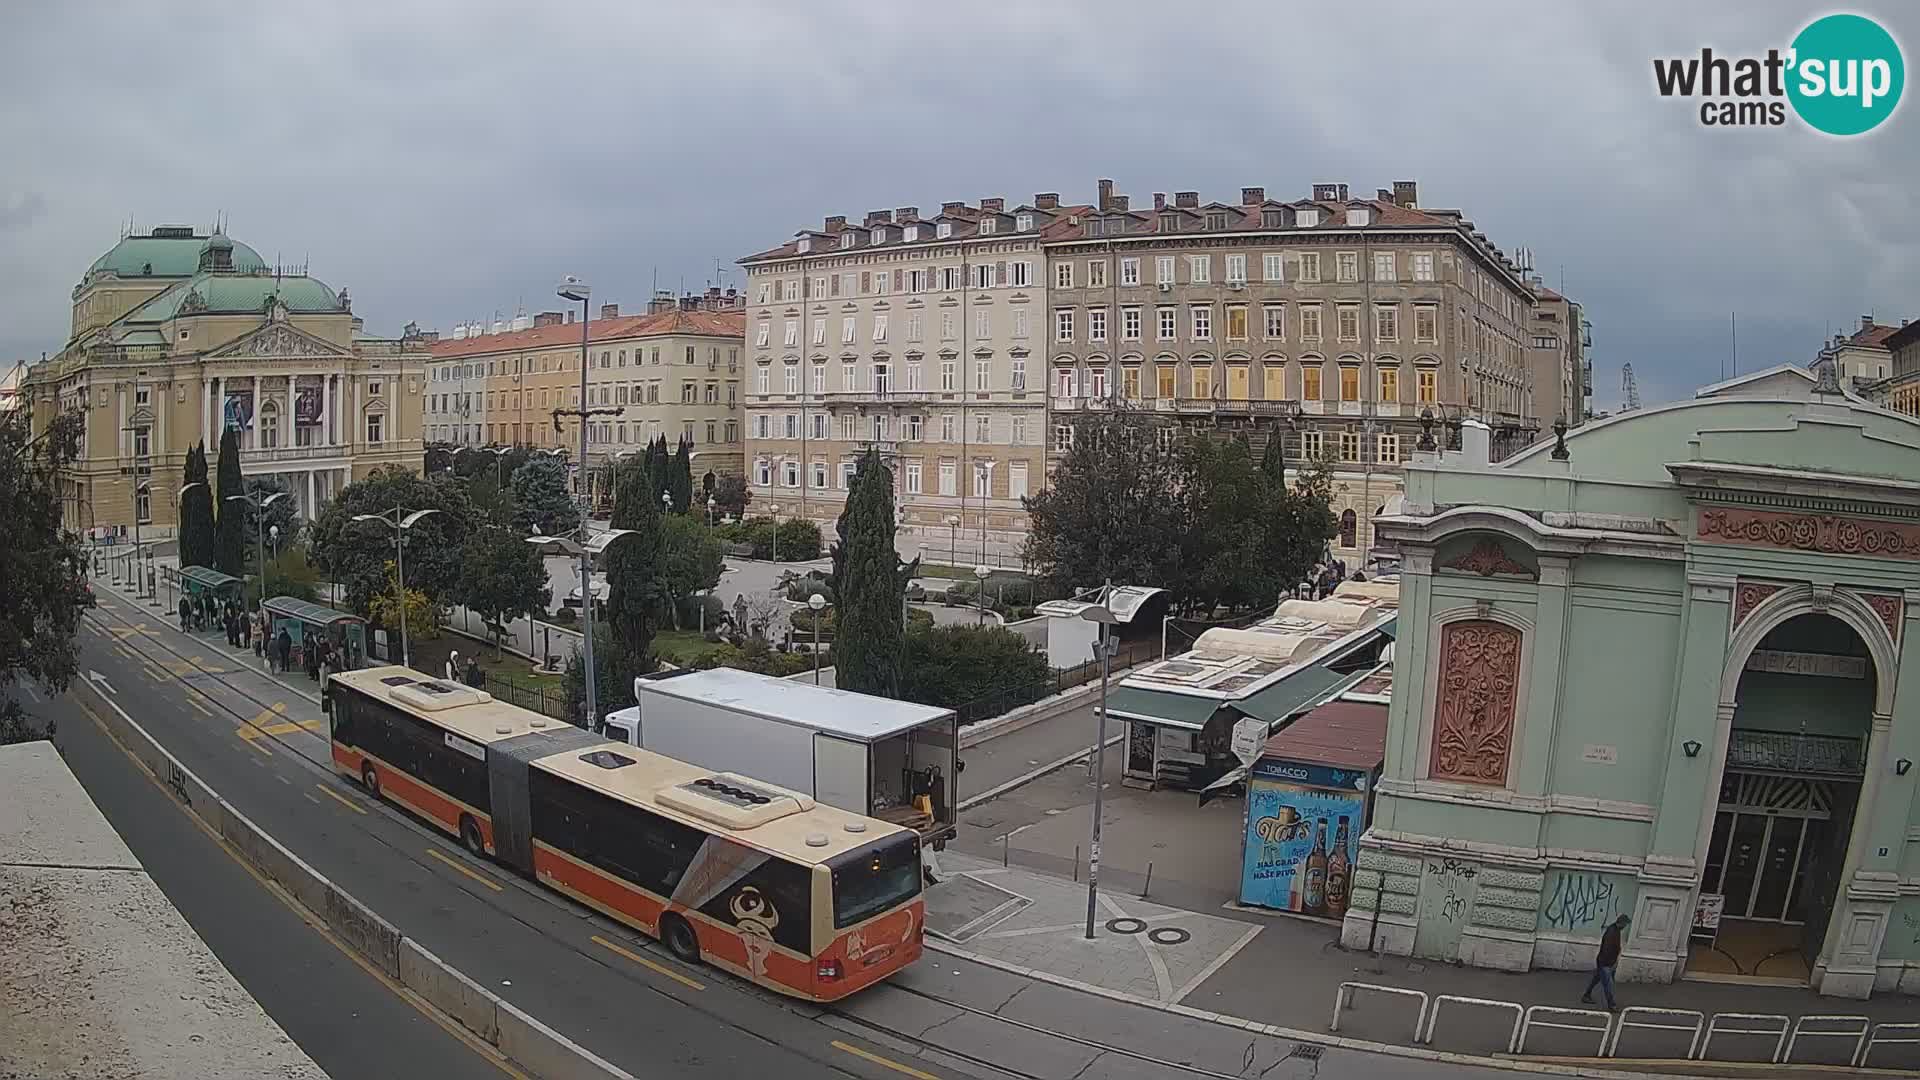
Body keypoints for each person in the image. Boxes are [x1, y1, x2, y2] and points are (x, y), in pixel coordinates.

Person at [1581, 915, 1630, 1012]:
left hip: (1604, 961)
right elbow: (1607, 949)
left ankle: (1586, 995)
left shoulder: (1615, 930)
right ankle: (1611, 1005)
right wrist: (1610, 964)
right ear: (1622, 923)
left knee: (1597, 978)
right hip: (1605, 962)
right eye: (1625, 924)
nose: (1625, 926)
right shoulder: (1612, 932)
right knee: (1608, 984)